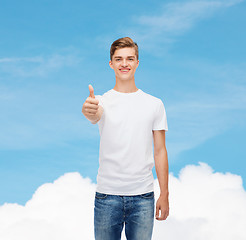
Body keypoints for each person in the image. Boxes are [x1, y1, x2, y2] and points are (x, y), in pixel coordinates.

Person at [82, 37, 169, 240]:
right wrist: (88, 110)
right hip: (106, 197)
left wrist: (164, 194)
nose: (124, 64)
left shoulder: (155, 104)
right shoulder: (101, 101)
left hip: (143, 198)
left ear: (137, 63)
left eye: (130, 59)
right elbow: (93, 114)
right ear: (111, 63)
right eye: (119, 59)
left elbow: (160, 151)